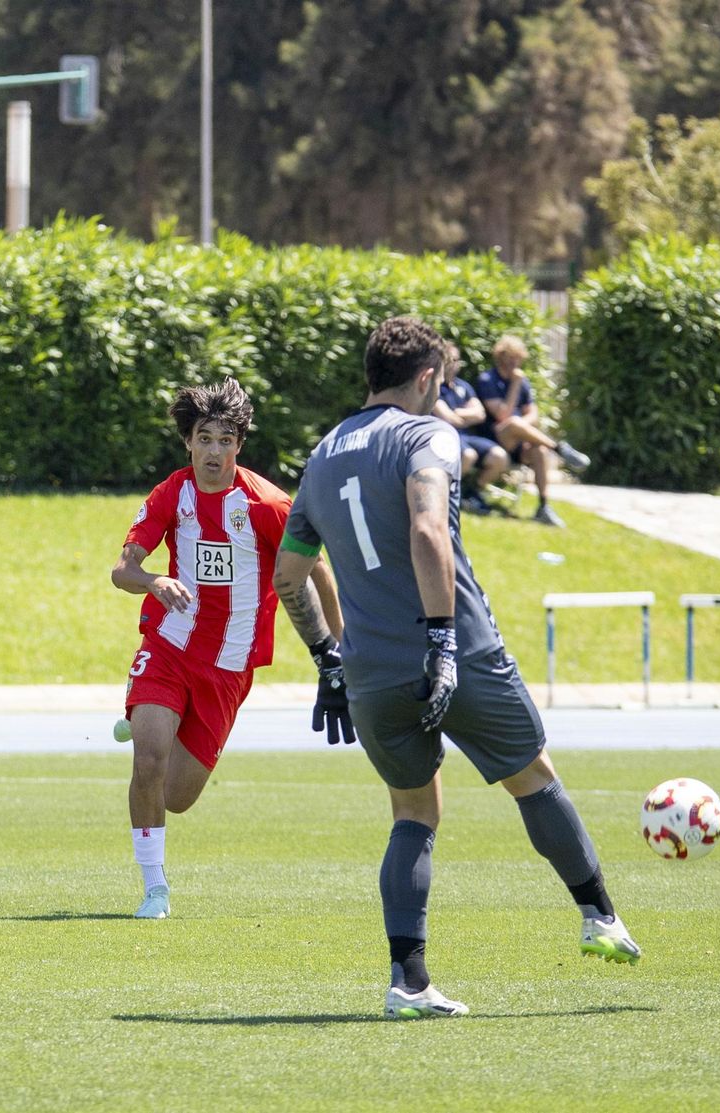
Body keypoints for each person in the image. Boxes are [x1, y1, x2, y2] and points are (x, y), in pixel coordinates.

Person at [272, 316, 640, 1021]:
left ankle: (407, 982)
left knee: (414, 810)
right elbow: (426, 528)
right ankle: (599, 917)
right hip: (457, 652)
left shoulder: (320, 456)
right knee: (532, 776)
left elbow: (292, 573)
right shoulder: (427, 434)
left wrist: (329, 661)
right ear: (425, 379)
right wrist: (441, 643)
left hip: (371, 670)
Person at [111, 379, 338, 921]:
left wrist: (339, 646)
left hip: (229, 667)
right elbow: (123, 570)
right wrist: (152, 582)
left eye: (225, 440)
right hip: (168, 647)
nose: (214, 451)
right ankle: (154, 889)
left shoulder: (266, 504)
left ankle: (143, 719)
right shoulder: (171, 494)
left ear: (240, 444)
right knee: (148, 759)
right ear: (188, 443)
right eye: (204, 439)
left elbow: (317, 571)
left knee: (175, 796)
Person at [473, 334, 591, 528]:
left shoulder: (523, 382)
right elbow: (503, 415)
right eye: (511, 357)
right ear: (501, 357)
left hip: (518, 441)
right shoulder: (487, 380)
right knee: (512, 423)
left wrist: (522, 426)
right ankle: (560, 449)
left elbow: (533, 415)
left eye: (518, 357)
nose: (515, 362)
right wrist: (516, 385)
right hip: (495, 439)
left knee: (539, 451)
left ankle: (543, 506)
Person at [433, 342, 508, 514]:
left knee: (500, 457)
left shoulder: (463, 386)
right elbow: (447, 418)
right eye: (450, 360)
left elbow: (480, 413)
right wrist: (466, 415)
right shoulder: (434, 386)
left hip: (465, 436)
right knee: (468, 455)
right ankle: (450, 496)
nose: (454, 364)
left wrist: (458, 414)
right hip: (445, 436)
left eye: (457, 360)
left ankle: (472, 492)